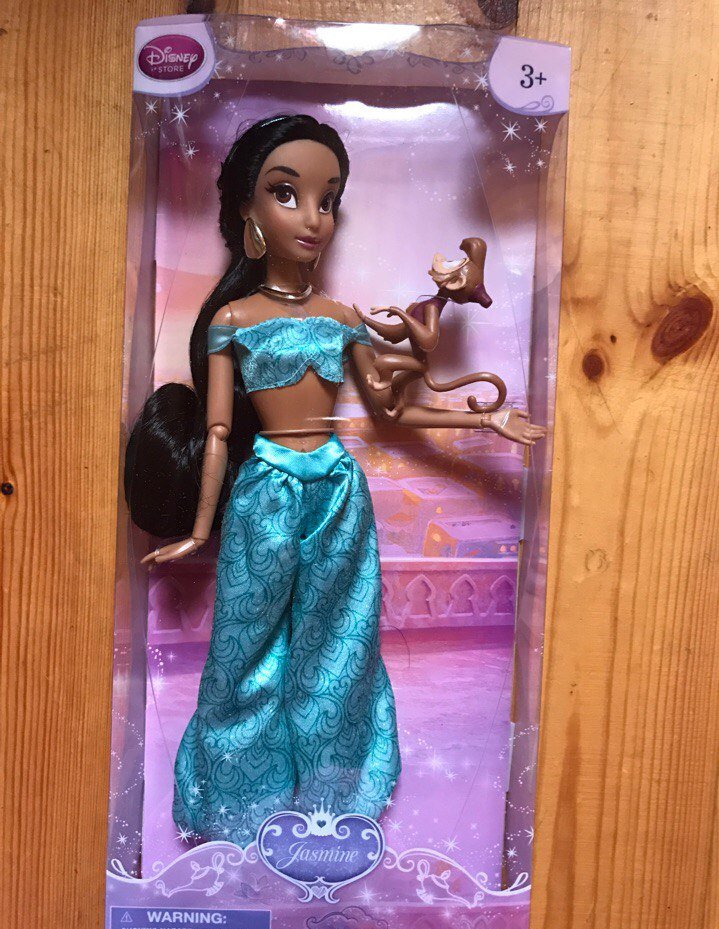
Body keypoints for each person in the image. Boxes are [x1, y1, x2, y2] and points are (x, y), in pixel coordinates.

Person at [124, 113, 545, 848]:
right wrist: (197, 529)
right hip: (264, 492)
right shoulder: (232, 320)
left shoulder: (342, 318)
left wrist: (485, 419)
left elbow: (392, 408)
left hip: (338, 492)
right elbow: (219, 432)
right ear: (247, 209)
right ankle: (236, 809)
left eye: (328, 199)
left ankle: (331, 804)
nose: (313, 217)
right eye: (287, 194)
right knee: (244, 648)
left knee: (340, 644)